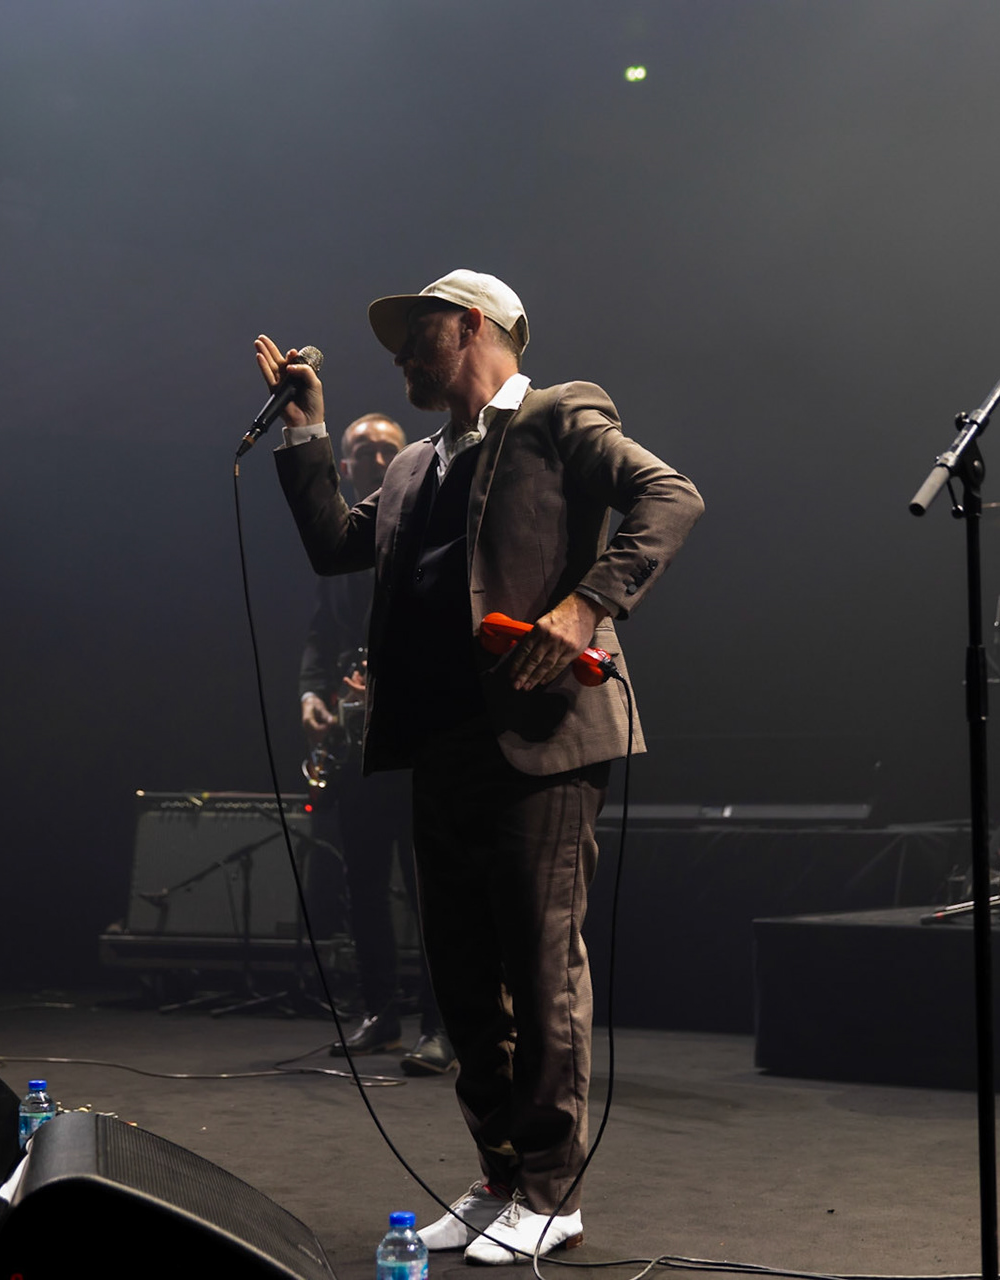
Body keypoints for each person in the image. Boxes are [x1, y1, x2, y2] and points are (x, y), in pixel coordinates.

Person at [256, 269, 702, 1264]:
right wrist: (304, 433)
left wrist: (586, 605)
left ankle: (553, 1186)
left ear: (471, 327)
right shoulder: (414, 466)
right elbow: (337, 545)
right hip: (441, 744)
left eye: (416, 336)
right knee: (461, 978)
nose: (402, 357)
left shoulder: (557, 415)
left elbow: (669, 495)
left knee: (541, 965)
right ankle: (502, 1170)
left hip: (540, 736)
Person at [299, 413, 453, 1076]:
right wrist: (312, 692)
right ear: (345, 460)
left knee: (431, 893)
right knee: (362, 885)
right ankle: (380, 1016)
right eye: (364, 450)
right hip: (362, 746)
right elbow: (320, 637)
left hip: (422, 747)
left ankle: (441, 1027)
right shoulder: (344, 547)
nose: (377, 457)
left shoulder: (431, 527)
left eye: (389, 449)